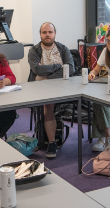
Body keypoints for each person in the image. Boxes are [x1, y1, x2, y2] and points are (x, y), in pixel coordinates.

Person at [28, 22, 75, 158]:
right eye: (44, 32)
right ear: (40, 34)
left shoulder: (63, 49)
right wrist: (58, 66)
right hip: (40, 86)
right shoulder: (34, 51)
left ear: (55, 33)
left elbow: (70, 69)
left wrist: (46, 71)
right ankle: (52, 142)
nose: (47, 35)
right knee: (48, 105)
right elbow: (36, 69)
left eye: (50, 32)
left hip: (63, 85)